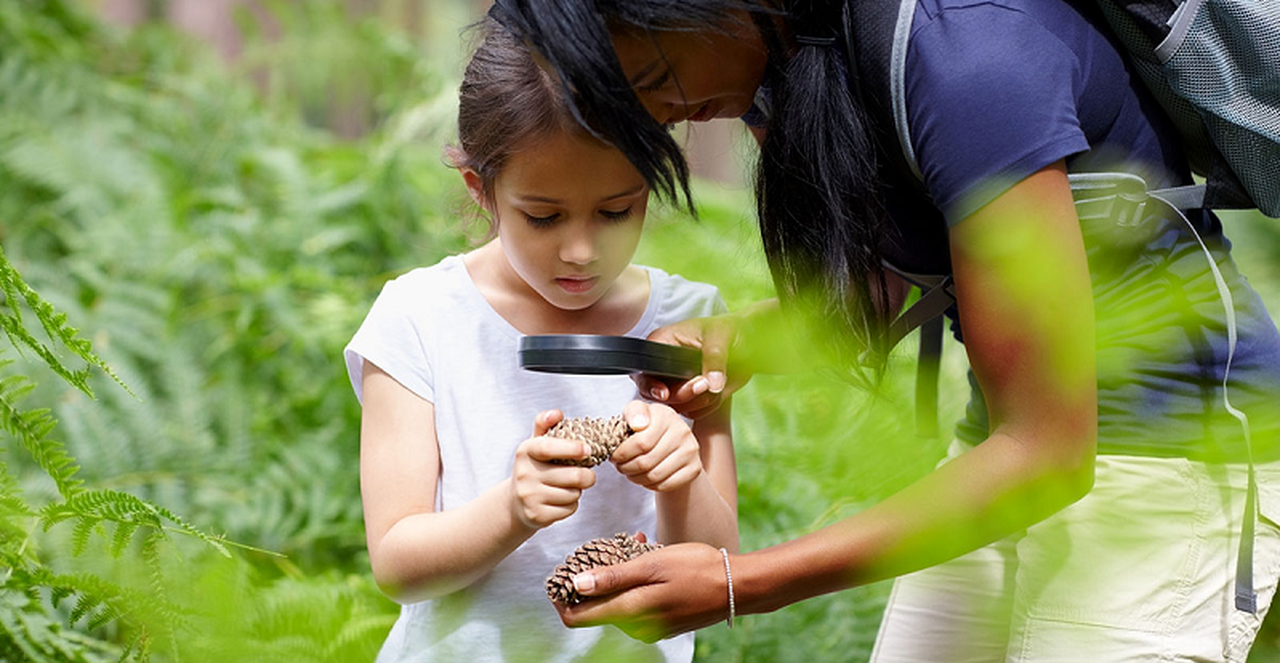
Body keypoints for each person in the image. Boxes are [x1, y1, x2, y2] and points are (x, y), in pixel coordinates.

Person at [488, 0, 1280, 660]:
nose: (663, 115)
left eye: (658, 79)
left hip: (1173, 471)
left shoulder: (964, 54)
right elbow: (896, 281)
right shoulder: (792, 64)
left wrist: (739, 581)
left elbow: (1047, 449)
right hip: (1000, 446)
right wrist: (744, 341)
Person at [341, 20, 738, 663]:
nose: (580, 251)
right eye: (543, 217)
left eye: (616, 211)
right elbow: (397, 563)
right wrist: (513, 509)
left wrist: (681, 477)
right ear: (482, 189)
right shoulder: (419, 316)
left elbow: (722, 571)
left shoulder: (687, 321)